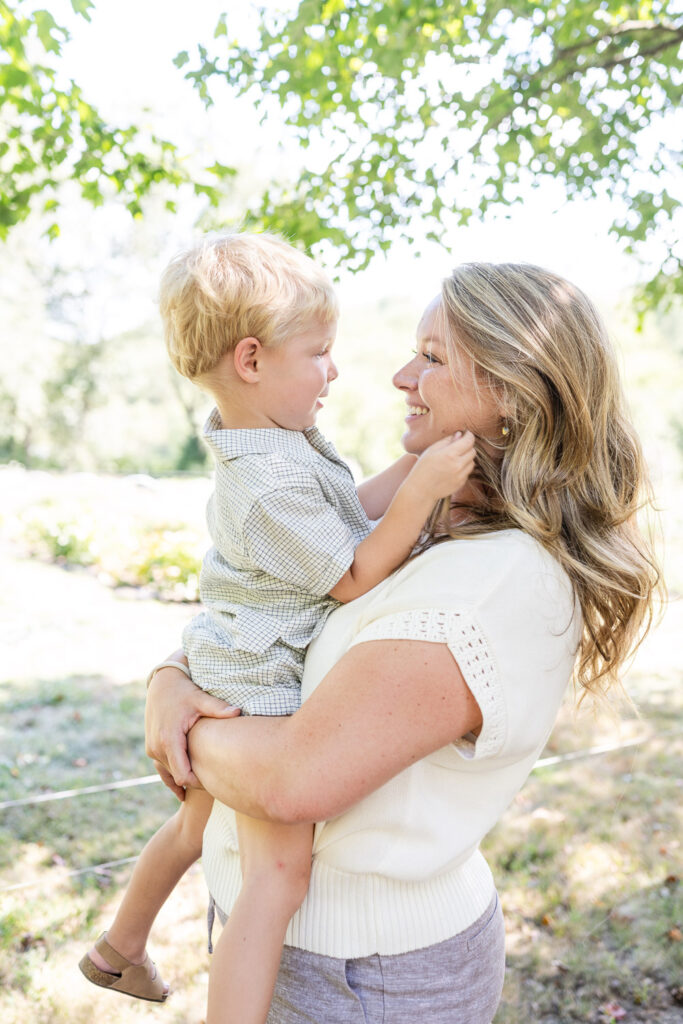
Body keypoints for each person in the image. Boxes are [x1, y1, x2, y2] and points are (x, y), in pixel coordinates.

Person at [145, 260, 661, 1024]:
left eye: (431, 356)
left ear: (512, 394)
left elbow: (292, 781)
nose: (396, 375)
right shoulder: (437, 519)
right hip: (306, 948)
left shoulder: (485, 587)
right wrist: (173, 673)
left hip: (363, 978)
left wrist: (173, 722)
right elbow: (274, 604)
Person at [78, 233, 476, 1020]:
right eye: (319, 353)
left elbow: (349, 515)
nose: (335, 371)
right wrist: (427, 488)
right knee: (277, 879)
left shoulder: (278, 445)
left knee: (194, 825)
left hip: (235, 653)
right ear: (252, 360)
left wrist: (418, 463)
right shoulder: (260, 483)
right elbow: (353, 571)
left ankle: (119, 946)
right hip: (261, 680)